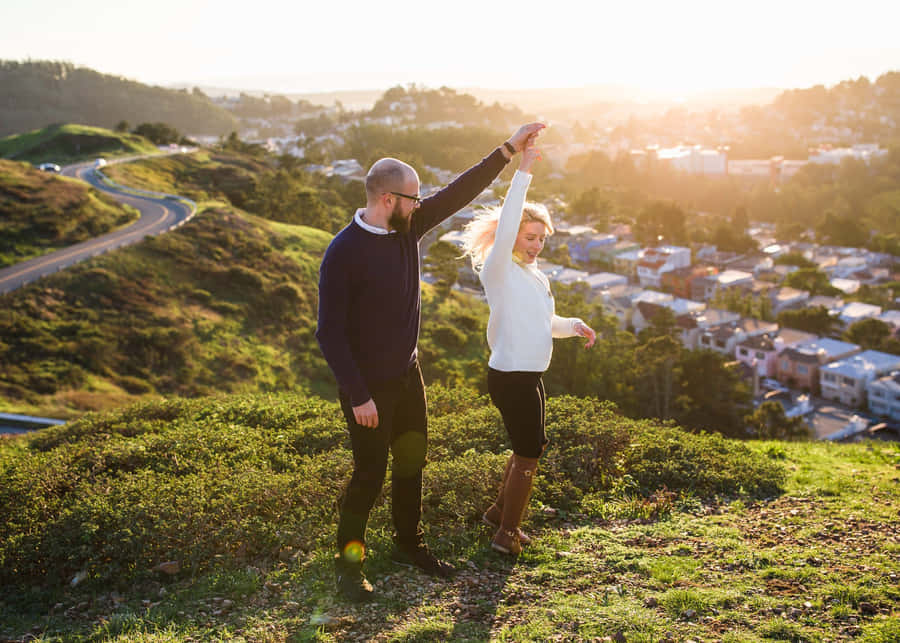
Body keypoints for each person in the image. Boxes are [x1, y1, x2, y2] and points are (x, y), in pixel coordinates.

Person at [316, 122, 546, 602]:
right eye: (413, 198)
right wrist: (358, 395)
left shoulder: (409, 226)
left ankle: (408, 544)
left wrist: (507, 149)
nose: (421, 205)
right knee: (368, 475)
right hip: (367, 387)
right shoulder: (343, 253)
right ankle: (348, 567)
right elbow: (330, 334)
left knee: (412, 461)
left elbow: (459, 192)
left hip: (407, 373)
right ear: (387, 200)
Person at [461, 138, 596, 555]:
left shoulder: (536, 276)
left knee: (531, 446)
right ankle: (506, 534)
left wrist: (573, 326)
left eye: (541, 239)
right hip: (510, 376)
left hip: (530, 374)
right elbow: (508, 224)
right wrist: (525, 169)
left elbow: (543, 324)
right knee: (528, 454)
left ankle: (497, 515)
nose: (536, 245)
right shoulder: (499, 269)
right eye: (529, 236)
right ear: (512, 234)